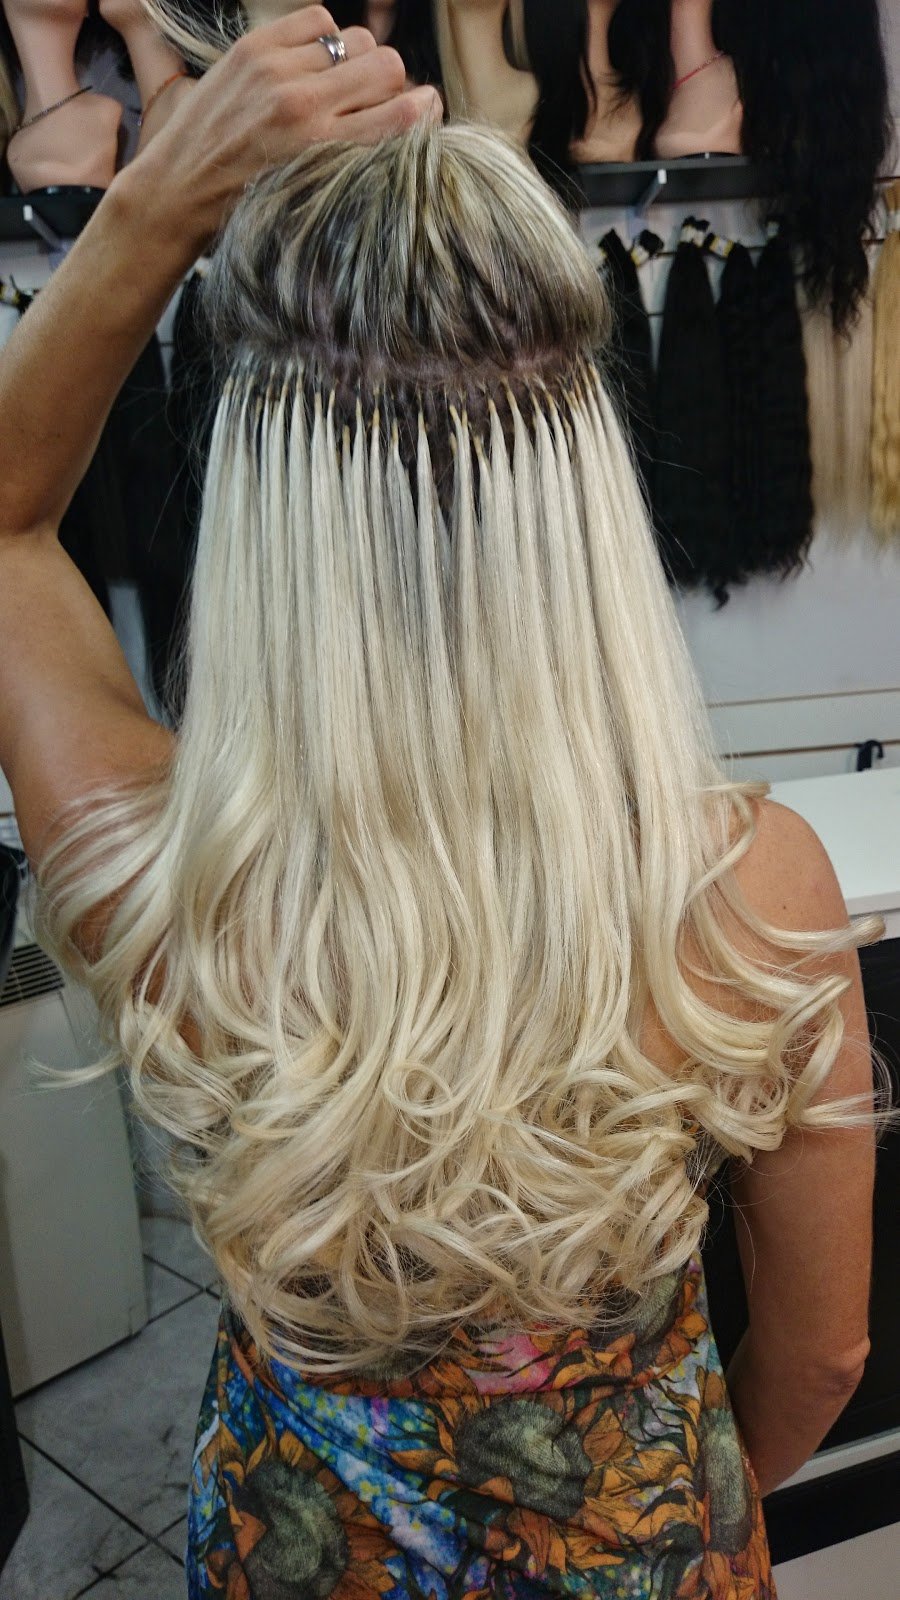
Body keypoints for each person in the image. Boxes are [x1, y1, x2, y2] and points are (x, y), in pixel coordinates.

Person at [0, 9, 880, 1597]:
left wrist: (152, 208)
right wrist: (671, 1515)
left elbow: (3, 528)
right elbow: (824, 1355)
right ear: (581, 482)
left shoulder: (159, 876)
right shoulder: (752, 887)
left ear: (262, 499)